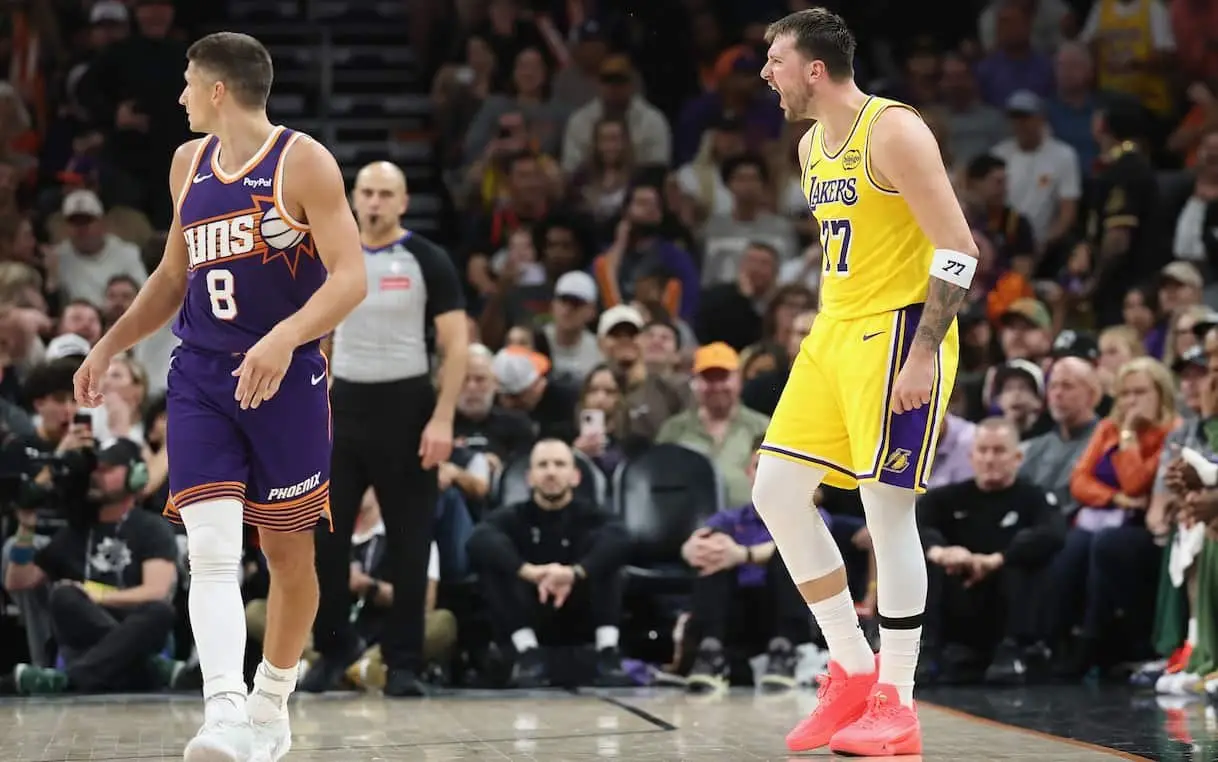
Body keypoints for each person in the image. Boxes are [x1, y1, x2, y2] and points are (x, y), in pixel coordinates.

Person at [71, 32, 367, 762]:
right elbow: (173, 278)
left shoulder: (303, 161)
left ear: (216, 90)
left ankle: (271, 701)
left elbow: (350, 277)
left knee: (289, 556)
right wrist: (107, 345)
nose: (177, 97)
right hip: (201, 377)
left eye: (185, 83)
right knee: (209, 549)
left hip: (284, 380)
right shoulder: (188, 163)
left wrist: (285, 337)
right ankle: (225, 710)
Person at [759, 8, 978, 756]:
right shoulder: (809, 147)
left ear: (814, 69)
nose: (766, 74)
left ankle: (898, 699)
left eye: (776, 61)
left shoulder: (893, 130)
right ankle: (853, 668)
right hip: (833, 333)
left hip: (898, 333)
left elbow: (958, 250)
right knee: (775, 492)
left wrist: (923, 355)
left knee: (887, 514)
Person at [304, 160, 467, 697]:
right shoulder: (331, 253)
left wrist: (443, 417)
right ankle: (334, 648)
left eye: (385, 194)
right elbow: (317, 332)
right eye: (367, 192)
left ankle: (403, 664)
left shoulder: (427, 259)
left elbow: (456, 345)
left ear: (403, 202)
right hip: (344, 405)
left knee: (409, 542)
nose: (374, 202)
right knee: (326, 537)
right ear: (353, 197)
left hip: (408, 406)